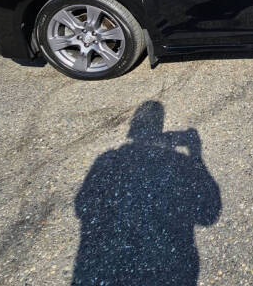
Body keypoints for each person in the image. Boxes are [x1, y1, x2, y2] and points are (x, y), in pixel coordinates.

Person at [72, 101, 221, 285]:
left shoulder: (107, 159)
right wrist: (195, 155)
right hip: (171, 270)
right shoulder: (178, 161)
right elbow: (208, 215)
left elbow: (81, 205)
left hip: (101, 269)